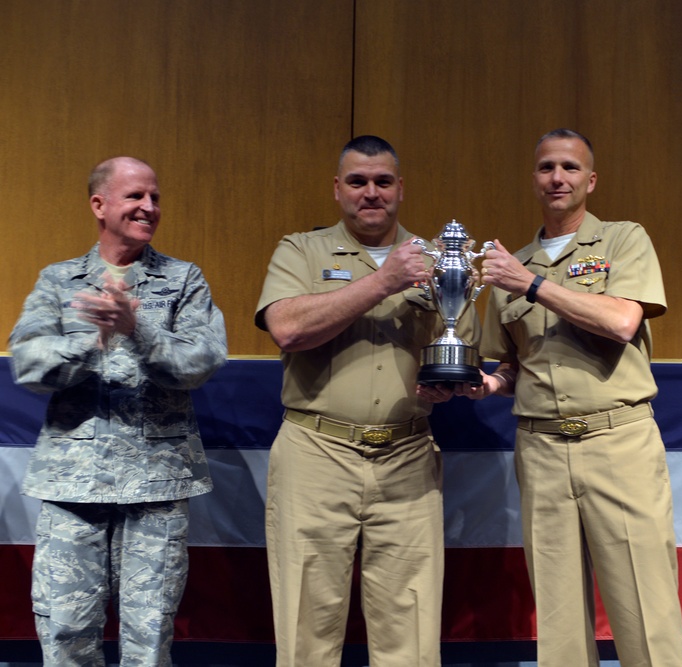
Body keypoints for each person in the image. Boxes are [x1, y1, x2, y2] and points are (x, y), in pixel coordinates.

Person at [462, 129, 682, 666]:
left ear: (591, 180)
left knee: (644, 607)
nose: (556, 177)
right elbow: (511, 365)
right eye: (546, 168)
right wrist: (488, 384)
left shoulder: (623, 240)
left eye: (568, 167)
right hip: (540, 449)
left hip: (618, 440)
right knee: (559, 621)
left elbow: (621, 320)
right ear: (534, 179)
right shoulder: (510, 265)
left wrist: (532, 285)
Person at [255, 135, 476, 666]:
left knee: (412, 632)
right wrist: (382, 282)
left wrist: (447, 386)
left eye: (382, 182)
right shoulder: (300, 250)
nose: (370, 193)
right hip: (316, 453)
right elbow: (286, 330)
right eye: (357, 182)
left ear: (400, 188)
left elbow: (463, 348)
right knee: (306, 625)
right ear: (337, 189)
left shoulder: (442, 261)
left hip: (408, 460)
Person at [8, 156, 228, 666]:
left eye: (155, 197)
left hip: (157, 485)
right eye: (135, 197)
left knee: (148, 641)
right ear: (99, 204)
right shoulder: (60, 281)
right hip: (72, 485)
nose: (149, 207)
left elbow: (202, 361)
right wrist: (95, 340)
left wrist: (139, 329)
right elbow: (29, 364)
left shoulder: (183, 280)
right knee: (65, 633)